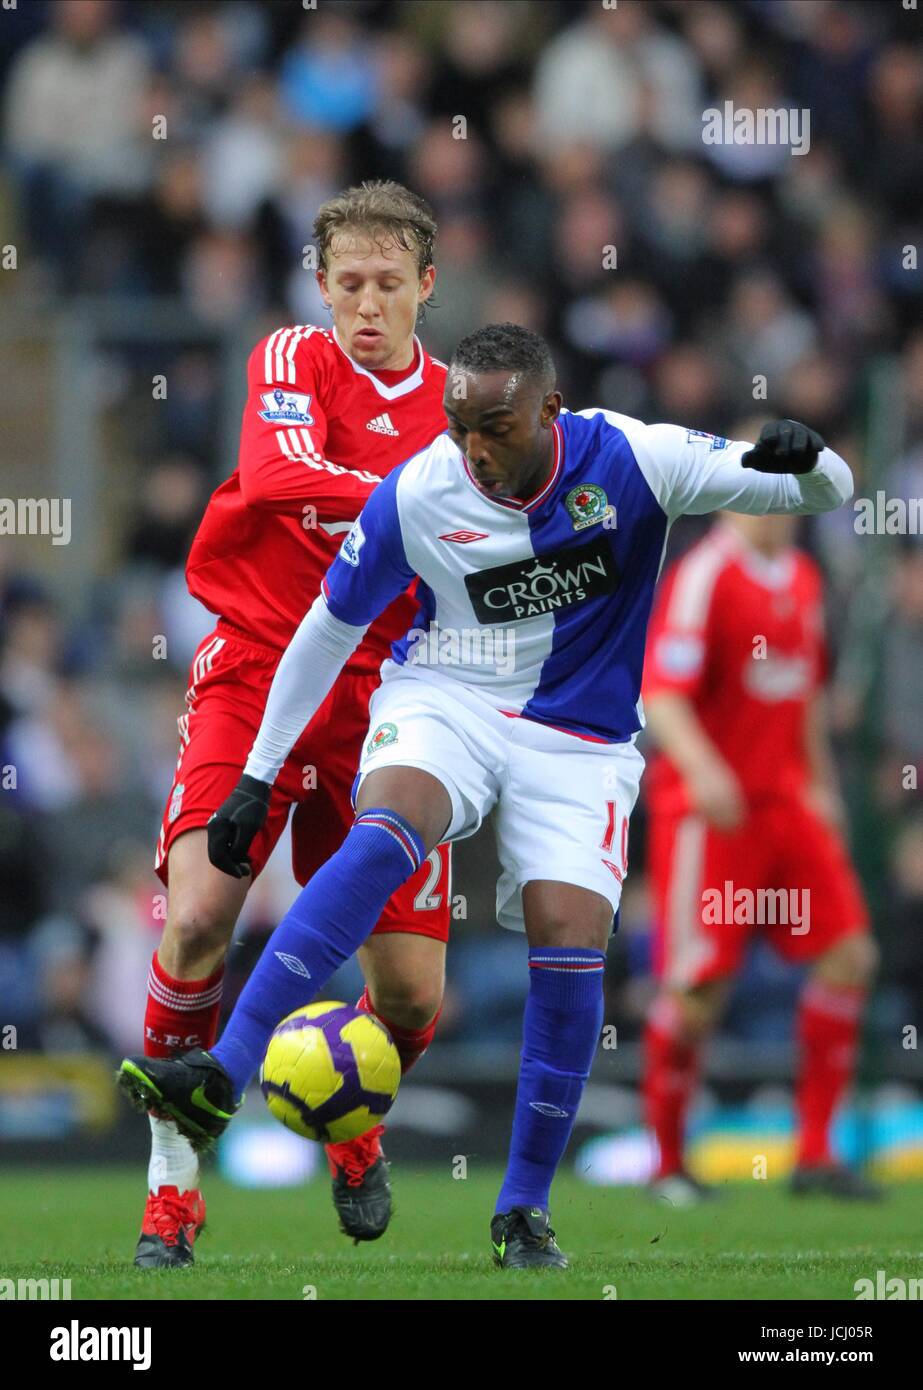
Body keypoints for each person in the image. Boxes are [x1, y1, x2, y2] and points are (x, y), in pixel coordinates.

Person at [119, 323, 854, 1269]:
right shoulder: (422, 490)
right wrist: (258, 774)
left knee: (568, 938)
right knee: (388, 827)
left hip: (579, 739)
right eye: (460, 424)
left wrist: (816, 455)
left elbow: (822, 490)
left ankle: (522, 1210)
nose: (474, 448)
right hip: (449, 696)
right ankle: (222, 1071)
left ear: (550, 411)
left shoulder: (639, 456)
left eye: (496, 427)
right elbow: (325, 632)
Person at [136, 180, 453, 1267]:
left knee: (412, 994)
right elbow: (275, 477)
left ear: (425, 286)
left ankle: (347, 1125)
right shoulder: (288, 358)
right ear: (320, 286)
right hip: (260, 667)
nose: (365, 305)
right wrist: (411, 498)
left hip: (395, 702)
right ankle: (170, 1199)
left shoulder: (464, 408)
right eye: (346, 283)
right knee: (195, 921)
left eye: (386, 284)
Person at [641, 509, 879, 1204]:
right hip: (711, 814)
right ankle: (666, 1165)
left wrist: (822, 786)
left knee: (851, 957)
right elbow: (661, 693)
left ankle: (813, 1154)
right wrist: (702, 770)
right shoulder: (703, 575)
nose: (777, 509)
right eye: (763, 494)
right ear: (731, 499)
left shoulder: (802, 577)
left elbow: (803, 692)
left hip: (785, 805)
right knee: (696, 993)